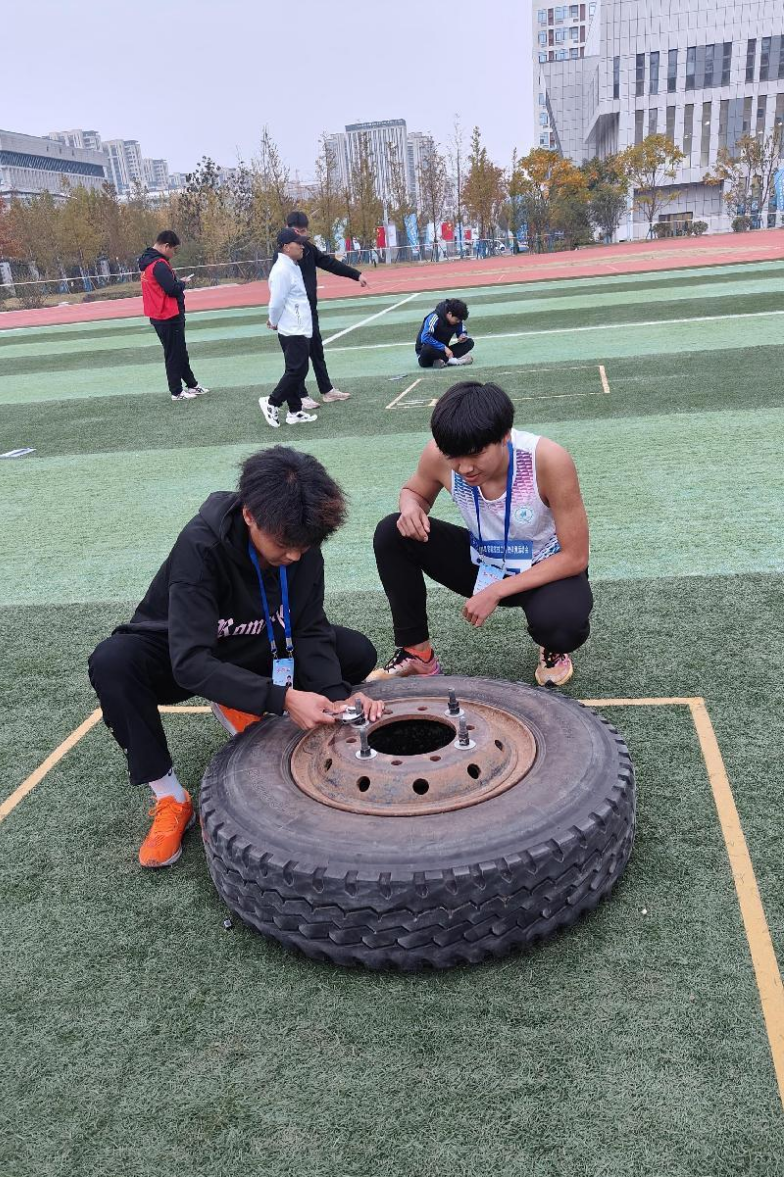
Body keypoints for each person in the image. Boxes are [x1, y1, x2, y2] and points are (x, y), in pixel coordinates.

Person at [89, 447, 383, 868]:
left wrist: (339, 698)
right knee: (113, 662)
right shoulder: (200, 545)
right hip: (184, 652)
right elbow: (190, 661)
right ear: (249, 515)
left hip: (262, 644)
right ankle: (171, 798)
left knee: (355, 651)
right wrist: (282, 699)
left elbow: (309, 627)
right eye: (284, 545)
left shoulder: (301, 540)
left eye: (304, 546)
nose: (295, 556)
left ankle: (237, 696)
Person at [372, 381, 592, 689]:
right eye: (453, 456)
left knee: (562, 624)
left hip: (544, 568)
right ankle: (417, 655)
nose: (465, 468)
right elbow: (415, 491)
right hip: (484, 561)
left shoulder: (546, 459)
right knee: (392, 532)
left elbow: (576, 556)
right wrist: (410, 508)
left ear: (504, 436)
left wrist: (497, 591)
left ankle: (552, 648)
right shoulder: (438, 455)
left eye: (476, 454)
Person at [285, 211, 370, 407]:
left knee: (317, 351)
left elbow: (329, 263)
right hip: (293, 313)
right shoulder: (282, 254)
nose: (301, 235)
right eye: (297, 231)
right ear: (288, 228)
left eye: (304, 231)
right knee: (297, 355)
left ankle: (327, 390)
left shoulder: (308, 248)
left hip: (309, 311)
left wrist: (356, 275)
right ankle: (300, 395)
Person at [139, 230, 209, 402]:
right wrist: (182, 284)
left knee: (179, 352)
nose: (174, 253)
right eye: (174, 249)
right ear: (166, 246)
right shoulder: (159, 264)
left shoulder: (149, 262)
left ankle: (191, 384)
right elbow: (171, 289)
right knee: (174, 354)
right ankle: (176, 391)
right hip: (167, 315)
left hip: (162, 314)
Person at [259, 229, 317, 428]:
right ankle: (272, 402)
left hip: (298, 326)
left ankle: (294, 411)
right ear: (286, 247)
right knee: (297, 370)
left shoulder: (291, 266)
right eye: (297, 243)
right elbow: (277, 301)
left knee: (296, 369)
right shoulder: (282, 270)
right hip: (292, 328)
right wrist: (273, 320)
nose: (302, 246)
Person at [415, 298, 474, 369]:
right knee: (427, 348)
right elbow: (425, 338)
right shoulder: (434, 317)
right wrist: (444, 348)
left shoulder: (457, 319)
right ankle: (454, 361)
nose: (458, 322)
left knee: (469, 342)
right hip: (425, 353)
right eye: (457, 319)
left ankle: (443, 361)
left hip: (444, 352)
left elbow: (461, 330)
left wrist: (462, 335)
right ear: (450, 314)